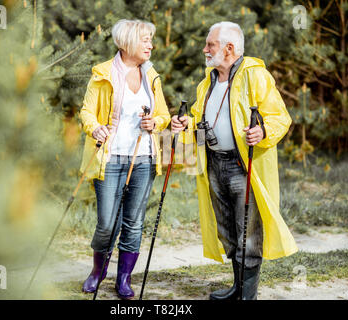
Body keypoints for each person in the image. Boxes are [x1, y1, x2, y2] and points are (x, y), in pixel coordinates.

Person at [171, 21, 298, 300]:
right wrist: (186, 124)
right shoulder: (209, 80)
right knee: (228, 231)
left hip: (243, 167)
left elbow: (280, 117)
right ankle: (238, 288)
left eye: (210, 45)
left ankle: (247, 296)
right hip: (213, 164)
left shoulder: (256, 76)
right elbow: (200, 119)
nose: (205, 49)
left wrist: (263, 131)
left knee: (248, 235)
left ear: (229, 48)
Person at [79, 19, 170, 300]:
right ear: (128, 42)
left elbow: (164, 115)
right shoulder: (103, 73)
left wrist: (154, 123)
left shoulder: (151, 75)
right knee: (107, 223)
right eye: (145, 40)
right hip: (110, 158)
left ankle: (124, 279)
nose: (150, 45)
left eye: (150, 40)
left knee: (134, 222)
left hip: (143, 159)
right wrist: (95, 127)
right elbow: (86, 111)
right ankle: (98, 272)